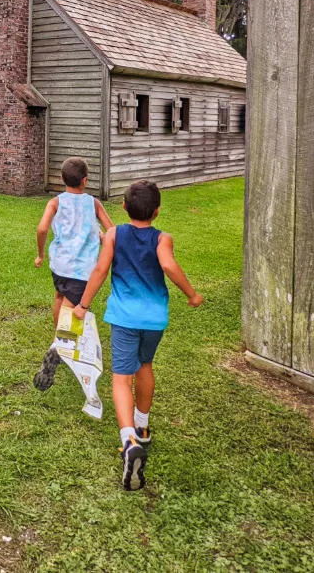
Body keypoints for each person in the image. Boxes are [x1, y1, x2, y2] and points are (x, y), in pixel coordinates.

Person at [73, 179, 204, 491]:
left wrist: (82, 305)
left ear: (123, 207)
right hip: (154, 319)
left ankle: (129, 441)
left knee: (121, 378)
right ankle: (142, 428)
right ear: (157, 211)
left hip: (124, 317)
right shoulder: (163, 239)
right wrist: (191, 294)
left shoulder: (115, 234)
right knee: (145, 366)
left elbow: (100, 271)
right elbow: (169, 265)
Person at [32, 157, 113, 391]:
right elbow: (112, 230)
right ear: (85, 180)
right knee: (73, 313)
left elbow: (42, 228)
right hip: (82, 270)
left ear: (61, 178)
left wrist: (40, 254)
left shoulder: (55, 202)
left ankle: (60, 337)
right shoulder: (94, 204)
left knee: (59, 297)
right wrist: (101, 237)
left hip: (59, 264)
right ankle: (58, 349)